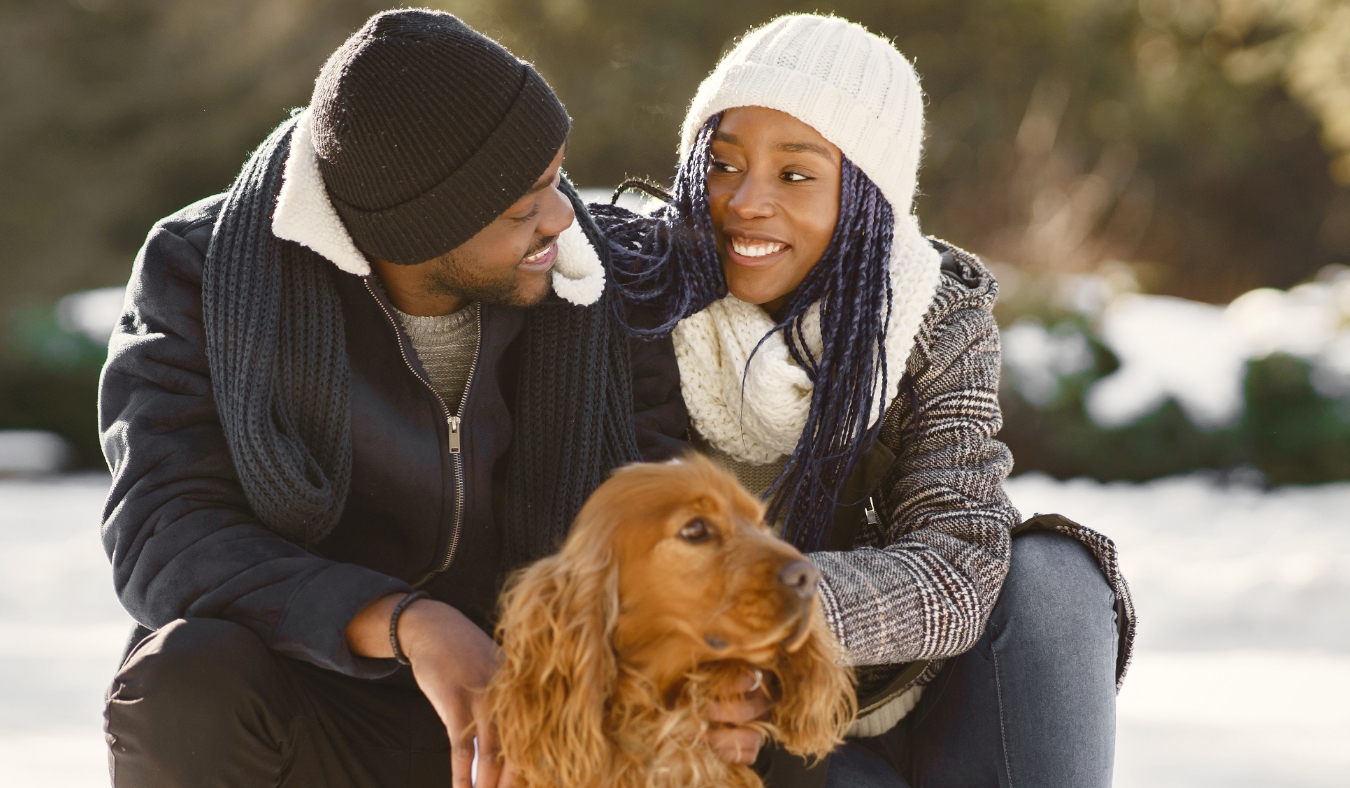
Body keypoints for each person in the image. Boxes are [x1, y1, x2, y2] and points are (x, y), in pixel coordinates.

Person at [97, 10, 701, 788]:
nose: (562, 218)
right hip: (322, 697)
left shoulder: (600, 278)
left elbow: (663, 502)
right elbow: (166, 536)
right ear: (416, 231)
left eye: (556, 177)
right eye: (524, 208)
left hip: (538, 704)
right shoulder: (203, 272)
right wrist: (402, 620)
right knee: (184, 677)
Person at [597, 14, 1136, 788]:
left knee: (1054, 574)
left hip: (883, 690)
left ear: (867, 199)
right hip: (691, 701)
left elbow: (958, 563)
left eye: (795, 174)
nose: (744, 201)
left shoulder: (932, 320)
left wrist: (760, 612)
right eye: (721, 165)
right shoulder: (634, 294)